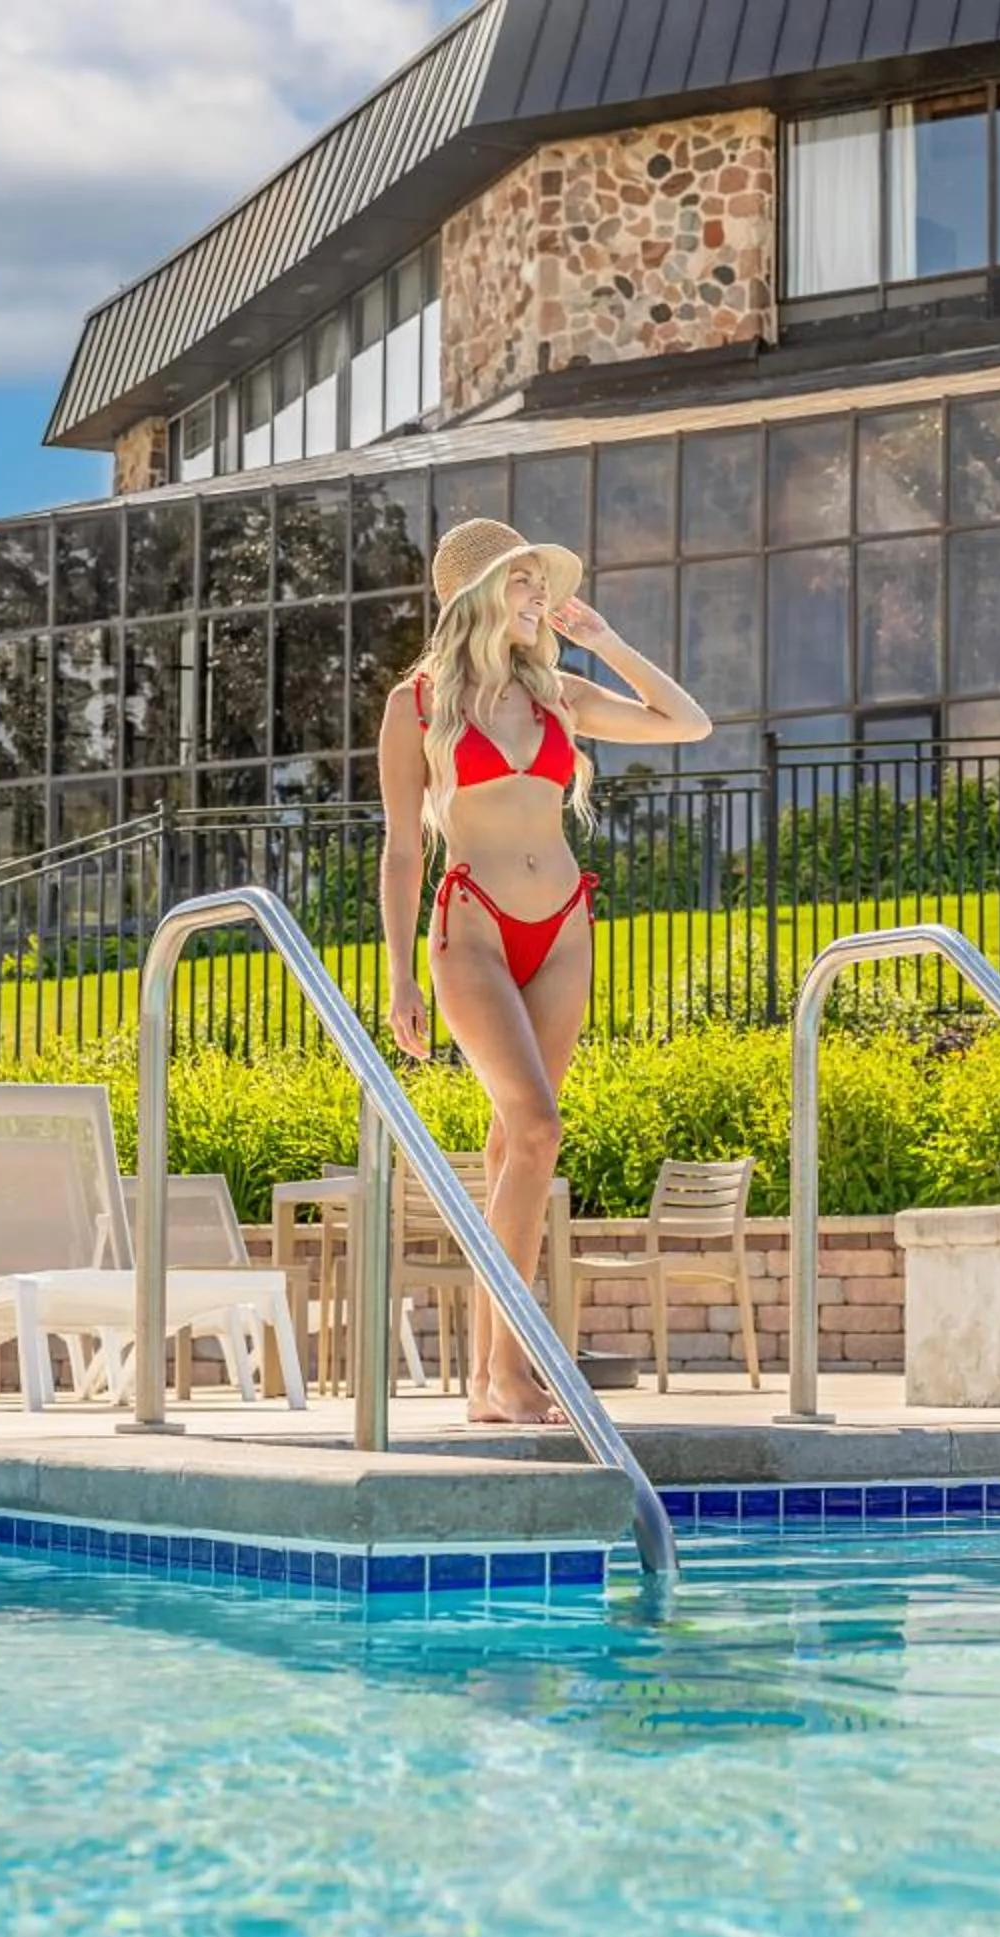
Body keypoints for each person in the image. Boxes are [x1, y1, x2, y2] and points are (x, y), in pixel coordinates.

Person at [376, 517, 713, 1423]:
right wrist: (400, 975)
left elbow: (688, 722)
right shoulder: (417, 705)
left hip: (564, 925)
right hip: (475, 925)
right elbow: (404, 850)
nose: (538, 598)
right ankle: (511, 1367)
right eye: (522, 583)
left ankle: (494, 1380)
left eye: (539, 582)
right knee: (535, 1131)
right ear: (482, 596)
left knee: (512, 1150)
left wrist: (607, 642)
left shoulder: (560, 692)